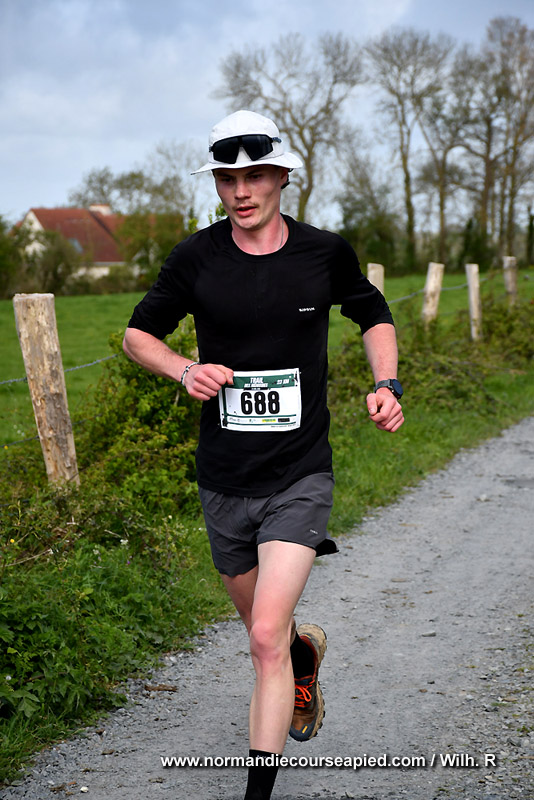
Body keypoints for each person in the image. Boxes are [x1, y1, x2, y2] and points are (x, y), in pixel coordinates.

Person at [123, 109, 404, 800]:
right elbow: (137, 335)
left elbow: (374, 314)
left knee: (263, 638)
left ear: (282, 176)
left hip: (300, 473)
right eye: (227, 180)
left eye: (254, 176)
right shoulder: (195, 258)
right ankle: (303, 658)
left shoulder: (323, 253)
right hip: (224, 478)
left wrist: (386, 384)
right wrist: (185, 369)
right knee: (267, 634)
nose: (240, 191)